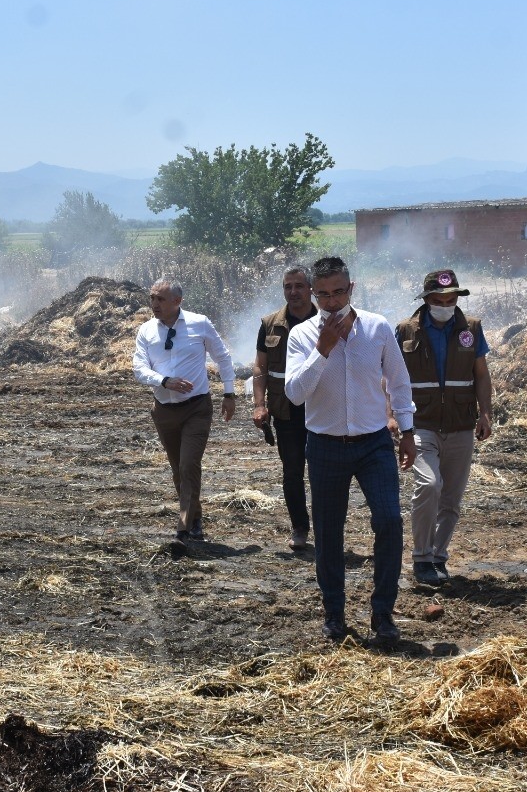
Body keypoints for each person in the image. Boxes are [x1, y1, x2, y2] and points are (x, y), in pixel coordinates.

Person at [284, 256, 416, 644]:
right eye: (323, 294)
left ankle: (383, 613)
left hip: (374, 443)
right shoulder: (302, 336)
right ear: (313, 293)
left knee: (389, 522)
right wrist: (322, 350)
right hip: (324, 445)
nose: (331, 302)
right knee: (328, 533)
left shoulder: (376, 327)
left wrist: (407, 430)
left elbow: (399, 381)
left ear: (351, 288)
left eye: (338, 292)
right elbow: (295, 394)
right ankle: (334, 613)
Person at [393, 269, 493, 589]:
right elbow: (390, 375)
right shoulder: (405, 331)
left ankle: (438, 556)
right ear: (427, 300)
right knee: (429, 484)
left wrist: (485, 414)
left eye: (451, 301)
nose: (446, 306)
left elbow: (481, 375)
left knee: (451, 498)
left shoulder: (471, 329)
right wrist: (391, 414)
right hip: (420, 423)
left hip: (461, 423)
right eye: (439, 301)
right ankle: (421, 557)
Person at [132, 278, 236, 540]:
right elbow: (139, 368)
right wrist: (164, 381)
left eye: (160, 299)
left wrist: (229, 392)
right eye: (152, 298)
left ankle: (184, 526)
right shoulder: (146, 331)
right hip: (164, 410)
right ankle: (195, 517)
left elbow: (222, 357)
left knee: (189, 464)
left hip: (196, 408)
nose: (154, 304)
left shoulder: (200, 323)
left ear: (177, 301)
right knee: (178, 467)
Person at [251, 266, 317, 551]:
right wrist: (259, 404)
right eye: (288, 286)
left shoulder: (325, 320)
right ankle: (300, 527)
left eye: (299, 286)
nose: (293, 292)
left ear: (310, 288)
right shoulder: (270, 324)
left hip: (321, 408)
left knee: (323, 471)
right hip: (286, 410)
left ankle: (326, 526)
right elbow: (260, 367)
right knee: (292, 471)